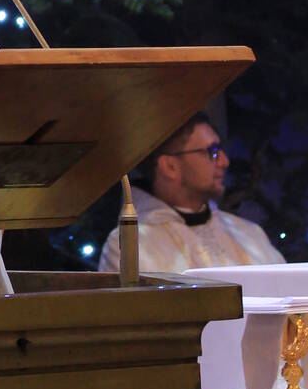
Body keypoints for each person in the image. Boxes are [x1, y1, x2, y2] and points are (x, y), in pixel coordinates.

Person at [98, 114, 284, 273]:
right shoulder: (130, 247)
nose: (224, 162)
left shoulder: (249, 233)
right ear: (170, 166)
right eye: (212, 151)